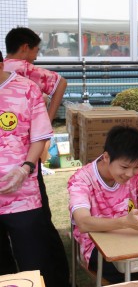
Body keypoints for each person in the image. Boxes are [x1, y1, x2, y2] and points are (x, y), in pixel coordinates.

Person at [68, 126, 138, 287]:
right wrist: (124, 222)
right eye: (124, 167)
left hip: (136, 241)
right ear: (106, 157)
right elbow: (83, 223)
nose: (130, 174)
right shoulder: (81, 179)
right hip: (98, 249)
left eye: (136, 167)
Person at [2, 26, 70, 281]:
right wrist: (47, 118)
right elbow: (60, 83)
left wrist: (42, 123)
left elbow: (40, 134)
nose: (36, 56)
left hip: (22, 180)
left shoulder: (22, 81)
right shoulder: (25, 69)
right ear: (24, 48)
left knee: (31, 247)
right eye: (36, 50)